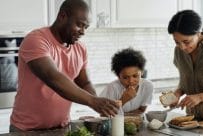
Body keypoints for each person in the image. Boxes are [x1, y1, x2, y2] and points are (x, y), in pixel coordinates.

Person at [9, 0, 119, 131]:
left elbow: (84, 83)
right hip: (26, 130)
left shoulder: (80, 49)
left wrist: (99, 103)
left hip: (62, 128)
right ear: (62, 16)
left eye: (86, 27)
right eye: (79, 25)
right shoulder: (36, 40)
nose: (83, 32)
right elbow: (53, 78)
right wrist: (93, 101)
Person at [99, 48, 153, 114]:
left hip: (134, 122)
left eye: (135, 76)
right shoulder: (112, 88)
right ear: (118, 76)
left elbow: (141, 110)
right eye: (125, 77)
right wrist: (123, 99)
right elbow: (104, 115)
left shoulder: (147, 86)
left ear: (141, 72)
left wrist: (125, 117)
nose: (131, 81)